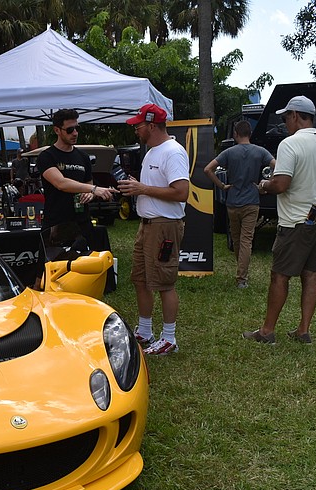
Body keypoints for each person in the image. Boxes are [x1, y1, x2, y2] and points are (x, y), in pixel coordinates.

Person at [243, 95, 316, 345]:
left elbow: (281, 184)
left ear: (295, 115)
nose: (285, 123)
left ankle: (266, 332)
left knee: (279, 275)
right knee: (311, 274)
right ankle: (303, 330)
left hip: (297, 220)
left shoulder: (289, 144)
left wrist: (264, 185)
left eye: (286, 117)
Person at [117, 103, 189, 356]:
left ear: (151, 125)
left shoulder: (173, 152)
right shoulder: (151, 152)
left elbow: (181, 192)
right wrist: (138, 186)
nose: (135, 129)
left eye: (138, 125)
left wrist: (143, 189)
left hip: (164, 226)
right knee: (141, 280)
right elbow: (157, 188)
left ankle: (169, 338)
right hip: (147, 225)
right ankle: (145, 331)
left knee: (164, 283)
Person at [203, 120, 276, 288]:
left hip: (232, 202)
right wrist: (265, 185)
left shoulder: (229, 152)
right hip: (252, 201)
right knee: (246, 240)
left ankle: (241, 271)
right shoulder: (260, 151)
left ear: (235, 134)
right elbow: (277, 166)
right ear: (250, 134)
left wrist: (222, 186)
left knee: (236, 239)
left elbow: (208, 169)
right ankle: (242, 278)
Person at [36, 108, 115, 247]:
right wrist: (93, 189)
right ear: (57, 130)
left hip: (82, 223)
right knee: (59, 261)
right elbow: (61, 183)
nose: (75, 133)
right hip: (57, 224)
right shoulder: (47, 156)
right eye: (70, 130)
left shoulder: (83, 157)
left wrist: (90, 194)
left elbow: (88, 184)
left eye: (77, 128)